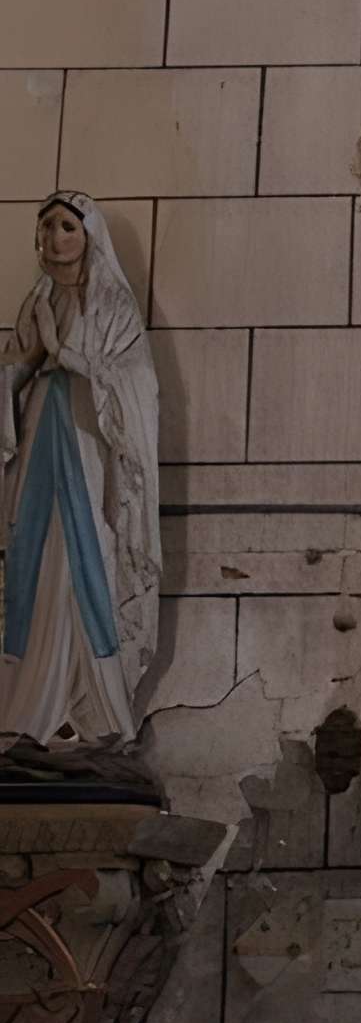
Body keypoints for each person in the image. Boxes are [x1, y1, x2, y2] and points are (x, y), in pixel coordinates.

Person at [0, 194, 161, 753]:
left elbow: (134, 382)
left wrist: (64, 354)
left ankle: (93, 707)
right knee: (32, 554)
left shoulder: (112, 304)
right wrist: (17, 370)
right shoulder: (38, 298)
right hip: (42, 432)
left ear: (88, 235)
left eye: (67, 225)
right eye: (46, 227)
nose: (54, 237)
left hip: (88, 443)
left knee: (83, 551)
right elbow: (18, 361)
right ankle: (27, 704)